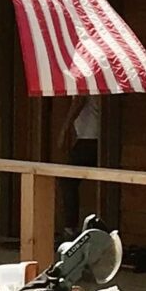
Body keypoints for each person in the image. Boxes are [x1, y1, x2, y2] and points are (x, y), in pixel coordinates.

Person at [54, 94, 102, 237]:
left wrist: (65, 129)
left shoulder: (84, 80)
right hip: (92, 136)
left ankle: (70, 226)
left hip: (88, 138)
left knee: (67, 180)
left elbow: (79, 102)